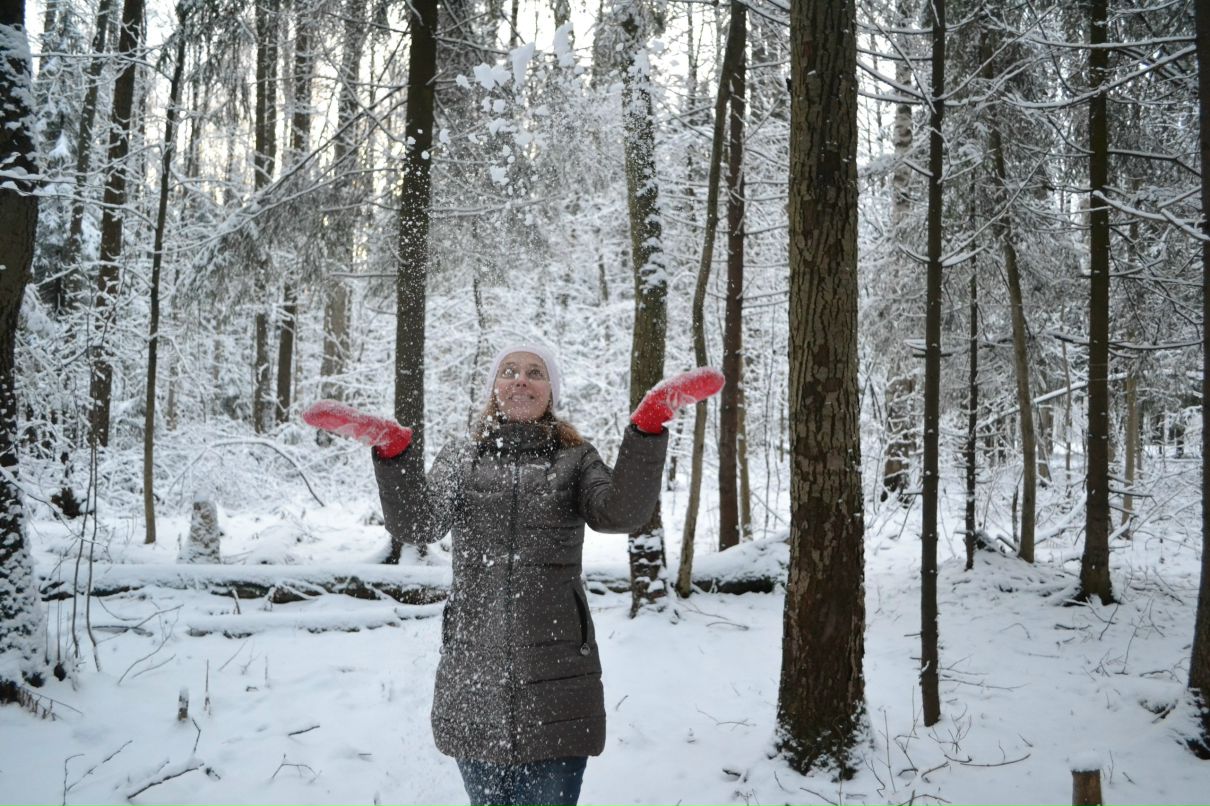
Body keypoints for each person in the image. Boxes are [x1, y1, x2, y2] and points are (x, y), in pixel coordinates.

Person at [302, 344, 722, 806]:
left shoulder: (576, 459)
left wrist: (646, 428)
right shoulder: (461, 457)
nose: (521, 379)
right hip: (475, 681)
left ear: (550, 393)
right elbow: (419, 525)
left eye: (535, 373)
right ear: (494, 390)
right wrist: (394, 453)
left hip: (559, 683)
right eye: (509, 371)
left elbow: (619, 514)